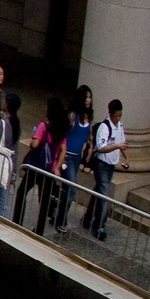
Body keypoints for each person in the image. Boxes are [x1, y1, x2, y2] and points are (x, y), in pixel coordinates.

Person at [16, 96, 67, 227]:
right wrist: (57, 167)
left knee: (22, 191)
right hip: (49, 170)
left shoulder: (43, 126)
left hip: (36, 167)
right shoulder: (60, 131)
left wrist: (33, 140)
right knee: (44, 200)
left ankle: (17, 220)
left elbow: (35, 144)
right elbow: (63, 150)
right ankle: (39, 229)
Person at [85, 99, 127, 237]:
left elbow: (121, 142)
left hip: (111, 164)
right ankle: (99, 226)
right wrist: (117, 147)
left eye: (120, 115)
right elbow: (102, 148)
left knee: (99, 190)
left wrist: (124, 154)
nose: (118, 118)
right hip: (102, 164)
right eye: (116, 116)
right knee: (104, 194)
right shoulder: (104, 127)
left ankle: (87, 218)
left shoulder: (119, 125)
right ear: (110, 114)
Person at [54, 86, 94, 233]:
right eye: (86, 97)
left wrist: (89, 148)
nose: (88, 100)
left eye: (90, 97)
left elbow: (89, 135)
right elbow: (63, 134)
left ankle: (56, 212)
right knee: (71, 188)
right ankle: (60, 219)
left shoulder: (88, 116)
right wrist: (61, 155)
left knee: (67, 189)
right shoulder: (72, 115)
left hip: (78, 157)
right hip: (68, 156)